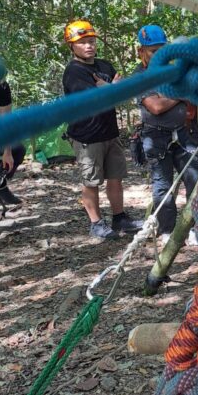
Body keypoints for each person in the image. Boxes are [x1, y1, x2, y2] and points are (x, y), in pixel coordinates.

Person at [62, 20, 142, 239]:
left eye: (91, 41)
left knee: (116, 176)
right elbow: (95, 100)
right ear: (72, 46)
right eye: (83, 43)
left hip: (109, 132)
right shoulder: (74, 72)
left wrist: (110, 90)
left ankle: (120, 217)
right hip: (87, 135)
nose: (89, 46)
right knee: (91, 181)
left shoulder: (104, 66)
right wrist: (110, 90)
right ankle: (96, 223)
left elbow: (122, 91)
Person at [133, 24, 198, 244]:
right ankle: (167, 230)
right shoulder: (140, 77)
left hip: (184, 134)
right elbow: (155, 106)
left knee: (195, 179)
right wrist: (181, 94)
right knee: (162, 185)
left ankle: (195, 228)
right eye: (154, 51)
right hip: (156, 137)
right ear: (141, 52)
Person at [0, 69, 26, 206]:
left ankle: (0, 184)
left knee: (17, 150)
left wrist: (7, 152)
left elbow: (5, 120)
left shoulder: (2, 86)